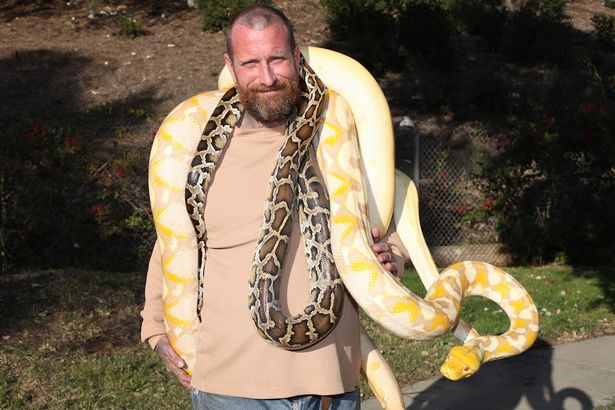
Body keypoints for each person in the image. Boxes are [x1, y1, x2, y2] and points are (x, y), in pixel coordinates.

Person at [141, 5, 407, 409]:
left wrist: (393, 258)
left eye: (277, 59)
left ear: (297, 55)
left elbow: (386, 228)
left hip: (328, 389)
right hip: (227, 391)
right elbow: (174, 242)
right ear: (231, 66)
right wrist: (156, 330)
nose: (266, 78)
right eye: (250, 63)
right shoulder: (197, 150)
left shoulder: (336, 138)